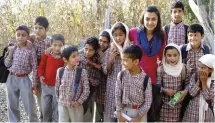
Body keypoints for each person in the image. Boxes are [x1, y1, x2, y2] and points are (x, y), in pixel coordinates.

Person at [4, 25, 39, 122]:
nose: (20, 37)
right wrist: (10, 53)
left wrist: (35, 83)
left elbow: (35, 67)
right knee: (12, 103)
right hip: (11, 78)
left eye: (23, 35)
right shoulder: (12, 48)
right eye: (18, 35)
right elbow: (6, 64)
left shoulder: (30, 50)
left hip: (24, 79)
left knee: (29, 103)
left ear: (27, 37)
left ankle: (33, 120)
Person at [129, 5, 166, 84]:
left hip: (152, 78)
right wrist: (114, 45)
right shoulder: (134, 32)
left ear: (158, 20)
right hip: (135, 76)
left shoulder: (162, 36)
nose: (150, 22)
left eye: (153, 19)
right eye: (147, 19)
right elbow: (119, 36)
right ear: (143, 19)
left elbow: (162, 57)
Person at [115, 45, 152, 122]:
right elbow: (117, 94)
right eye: (122, 60)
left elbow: (148, 101)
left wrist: (138, 117)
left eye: (125, 60)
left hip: (139, 114)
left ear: (136, 62)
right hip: (123, 112)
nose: (122, 63)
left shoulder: (145, 79)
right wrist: (118, 112)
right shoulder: (121, 75)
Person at [103, 22, 132, 122]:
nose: (118, 38)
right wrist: (110, 60)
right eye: (115, 35)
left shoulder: (130, 50)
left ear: (126, 34)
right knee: (111, 115)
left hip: (126, 88)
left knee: (124, 115)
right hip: (112, 87)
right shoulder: (110, 50)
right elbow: (105, 71)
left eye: (121, 35)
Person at [55, 45, 90, 122]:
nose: (77, 58)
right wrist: (59, 101)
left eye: (78, 55)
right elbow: (57, 88)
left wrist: (79, 102)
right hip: (63, 106)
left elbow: (86, 90)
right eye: (73, 56)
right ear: (65, 59)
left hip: (76, 106)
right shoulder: (60, 71)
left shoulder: (82, 72)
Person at [157, 43, 190, 122]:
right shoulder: (161, 69)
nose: (172, 58)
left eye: (175, 55)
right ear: (165, 56)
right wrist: (165, 90)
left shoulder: (184, 68)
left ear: (179, 55)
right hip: (163, 106)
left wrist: (184, 92)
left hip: (178, 106)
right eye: (169, 55)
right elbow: (157, 86)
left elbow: (188, 84)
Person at [37, 34, 65, 122]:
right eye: (55, 45)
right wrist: (41, 75)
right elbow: (41, 66)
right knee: (45, 107)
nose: (57, 48)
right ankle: (46, 120)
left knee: (57, 108)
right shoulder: (47, 55)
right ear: (51, 45)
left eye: (60, 45)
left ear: (63, 45)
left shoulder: (64, 57)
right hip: (46, 85)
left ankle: (56, 121)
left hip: (58, 87)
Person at [183, 54, 215, 122]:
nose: (200, 70)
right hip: (192, 112)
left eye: (203, 68)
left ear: (211, 70)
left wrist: (203, 83)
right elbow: (191, 93)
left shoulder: (213, 81)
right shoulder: (195, 76)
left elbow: (208, 98)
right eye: (199, 67)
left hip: (207, 115)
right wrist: (199, 82)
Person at [79, 37, 102, 122]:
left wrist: (89, 82)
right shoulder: (79, 55)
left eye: (91, 50)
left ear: (95, 51)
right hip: (78, 90)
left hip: (91, 90)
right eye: (86, 49)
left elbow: (98, 77)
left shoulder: (98, 58)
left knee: (87, 111)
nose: (87, 52)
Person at [95, 29, 112, 122]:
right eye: (100, 40)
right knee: (98, 106)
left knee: (106, 105)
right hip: (97, 82)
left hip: (107, 82)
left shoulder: (110, 52)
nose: (102, 43)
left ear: (109, 43)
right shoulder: (95, 50)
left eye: (105, 42)